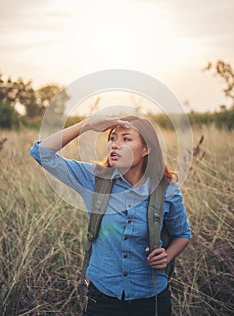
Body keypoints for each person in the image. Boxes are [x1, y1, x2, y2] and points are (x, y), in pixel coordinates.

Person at [30, 115, 191, 316]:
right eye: (112, 138)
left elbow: (182, 234)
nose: (115, 145)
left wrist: (167, 256)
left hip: (151, 298)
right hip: (102, 297)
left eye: (126, 139)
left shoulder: (167, 190)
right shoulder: (93, 179)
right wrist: (86, 125)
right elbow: (41, 153)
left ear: (146, 149)